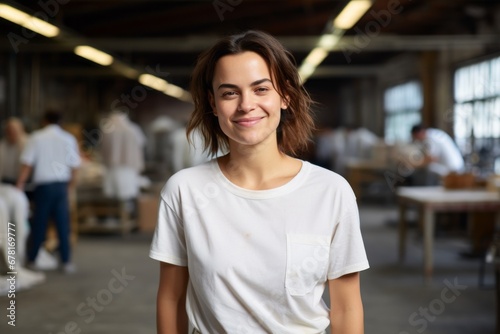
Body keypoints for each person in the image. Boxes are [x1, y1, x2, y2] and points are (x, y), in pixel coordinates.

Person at [149, 30, 369, 334]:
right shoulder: (185, 191)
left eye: (261, 89)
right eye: (229, 93)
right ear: (213, 104)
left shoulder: (330, 192)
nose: (246, 105)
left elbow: (346, 307)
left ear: (285, 96)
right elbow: (171, 299)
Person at [16, 110, 81, 274]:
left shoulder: (36, 138)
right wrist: (69, 188)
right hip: (61, 186)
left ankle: (32, 260)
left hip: (43, 187)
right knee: (62, 225)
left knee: (39, 223)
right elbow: (74, 167)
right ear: (60, 121)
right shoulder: (68, 138)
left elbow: (27, 164)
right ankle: (66, 262)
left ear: (44, 121)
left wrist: (19, 185)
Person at [0, 117, 28, 185]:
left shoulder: (28, 143)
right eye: (9, 131)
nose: (12, 133)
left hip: (23, 182)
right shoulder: (3, 145)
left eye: (14, 130)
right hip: (6, 180)